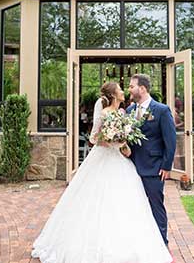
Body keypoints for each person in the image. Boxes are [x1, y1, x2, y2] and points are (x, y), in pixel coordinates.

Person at [31, 82, 172, 263]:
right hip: (104, 160)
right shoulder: (106, 113)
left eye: (128, 87)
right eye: (121, 89)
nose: (125, 91)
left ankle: (153, 243)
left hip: (124, 162)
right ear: (113, 94)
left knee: (129, 203)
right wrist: (111, 140)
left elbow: (132, 140)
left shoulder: (125, 112)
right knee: (100, 200)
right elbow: (94, 138)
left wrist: (123, 144)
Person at [126, 74, 177, 249]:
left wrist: (166, 166)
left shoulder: (161, 110)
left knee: (156, 205)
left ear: (142, 88)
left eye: (132, 86)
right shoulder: (129, 111)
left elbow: (170, 140)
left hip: (154, 167)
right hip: (130, 166)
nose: (129, 90)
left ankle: (162, 244)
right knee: (135, 205)